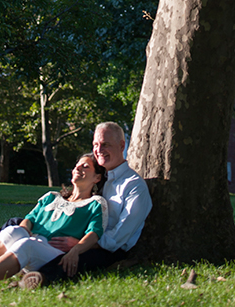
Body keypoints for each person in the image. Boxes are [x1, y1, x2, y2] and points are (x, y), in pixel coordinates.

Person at [0, 153, 108, 290]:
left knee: (28, 245)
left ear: (97, 177)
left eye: (85, 167)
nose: (78, 168)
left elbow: (94, 234)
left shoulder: (95, 204)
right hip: (32, 241)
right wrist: (24, 229)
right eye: (77, 165)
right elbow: (30, 219)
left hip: (52, 253)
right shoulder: (51, 197)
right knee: (12, 230)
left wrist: (76, 250)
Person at [36, 121, 152, 286]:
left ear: (121, 146)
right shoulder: (98, 176)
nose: (98, 150)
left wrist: (81, 245)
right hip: (81, 235)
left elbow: (119, 235)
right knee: (20, 224)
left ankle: (39, 277)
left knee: (69, 260)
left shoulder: (134, 186)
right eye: (96, 145)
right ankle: (4, 258)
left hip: (107, 249)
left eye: (105, 144)